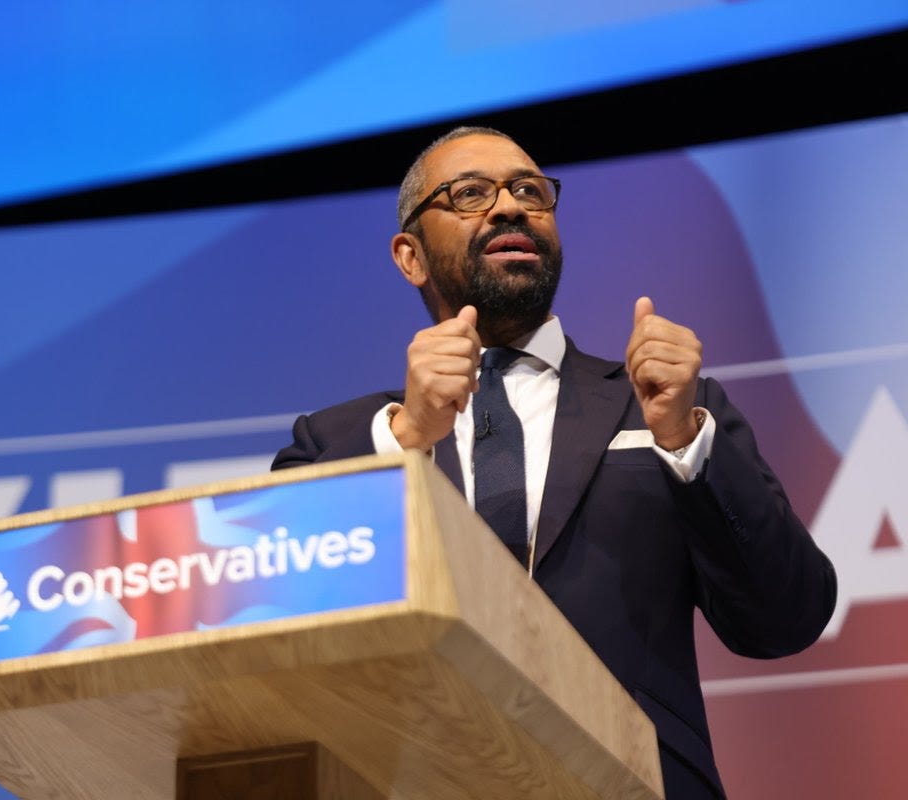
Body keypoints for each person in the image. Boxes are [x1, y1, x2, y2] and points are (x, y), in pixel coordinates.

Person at [271, 126, 837, 798]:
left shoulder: (664, 407)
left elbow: (786, 618)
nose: (510, 207)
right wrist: (410, 438)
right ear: (409, 256)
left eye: (529, 191)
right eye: (470, 193)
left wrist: (683, 442)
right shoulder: (339, 438)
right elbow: (278, 626)